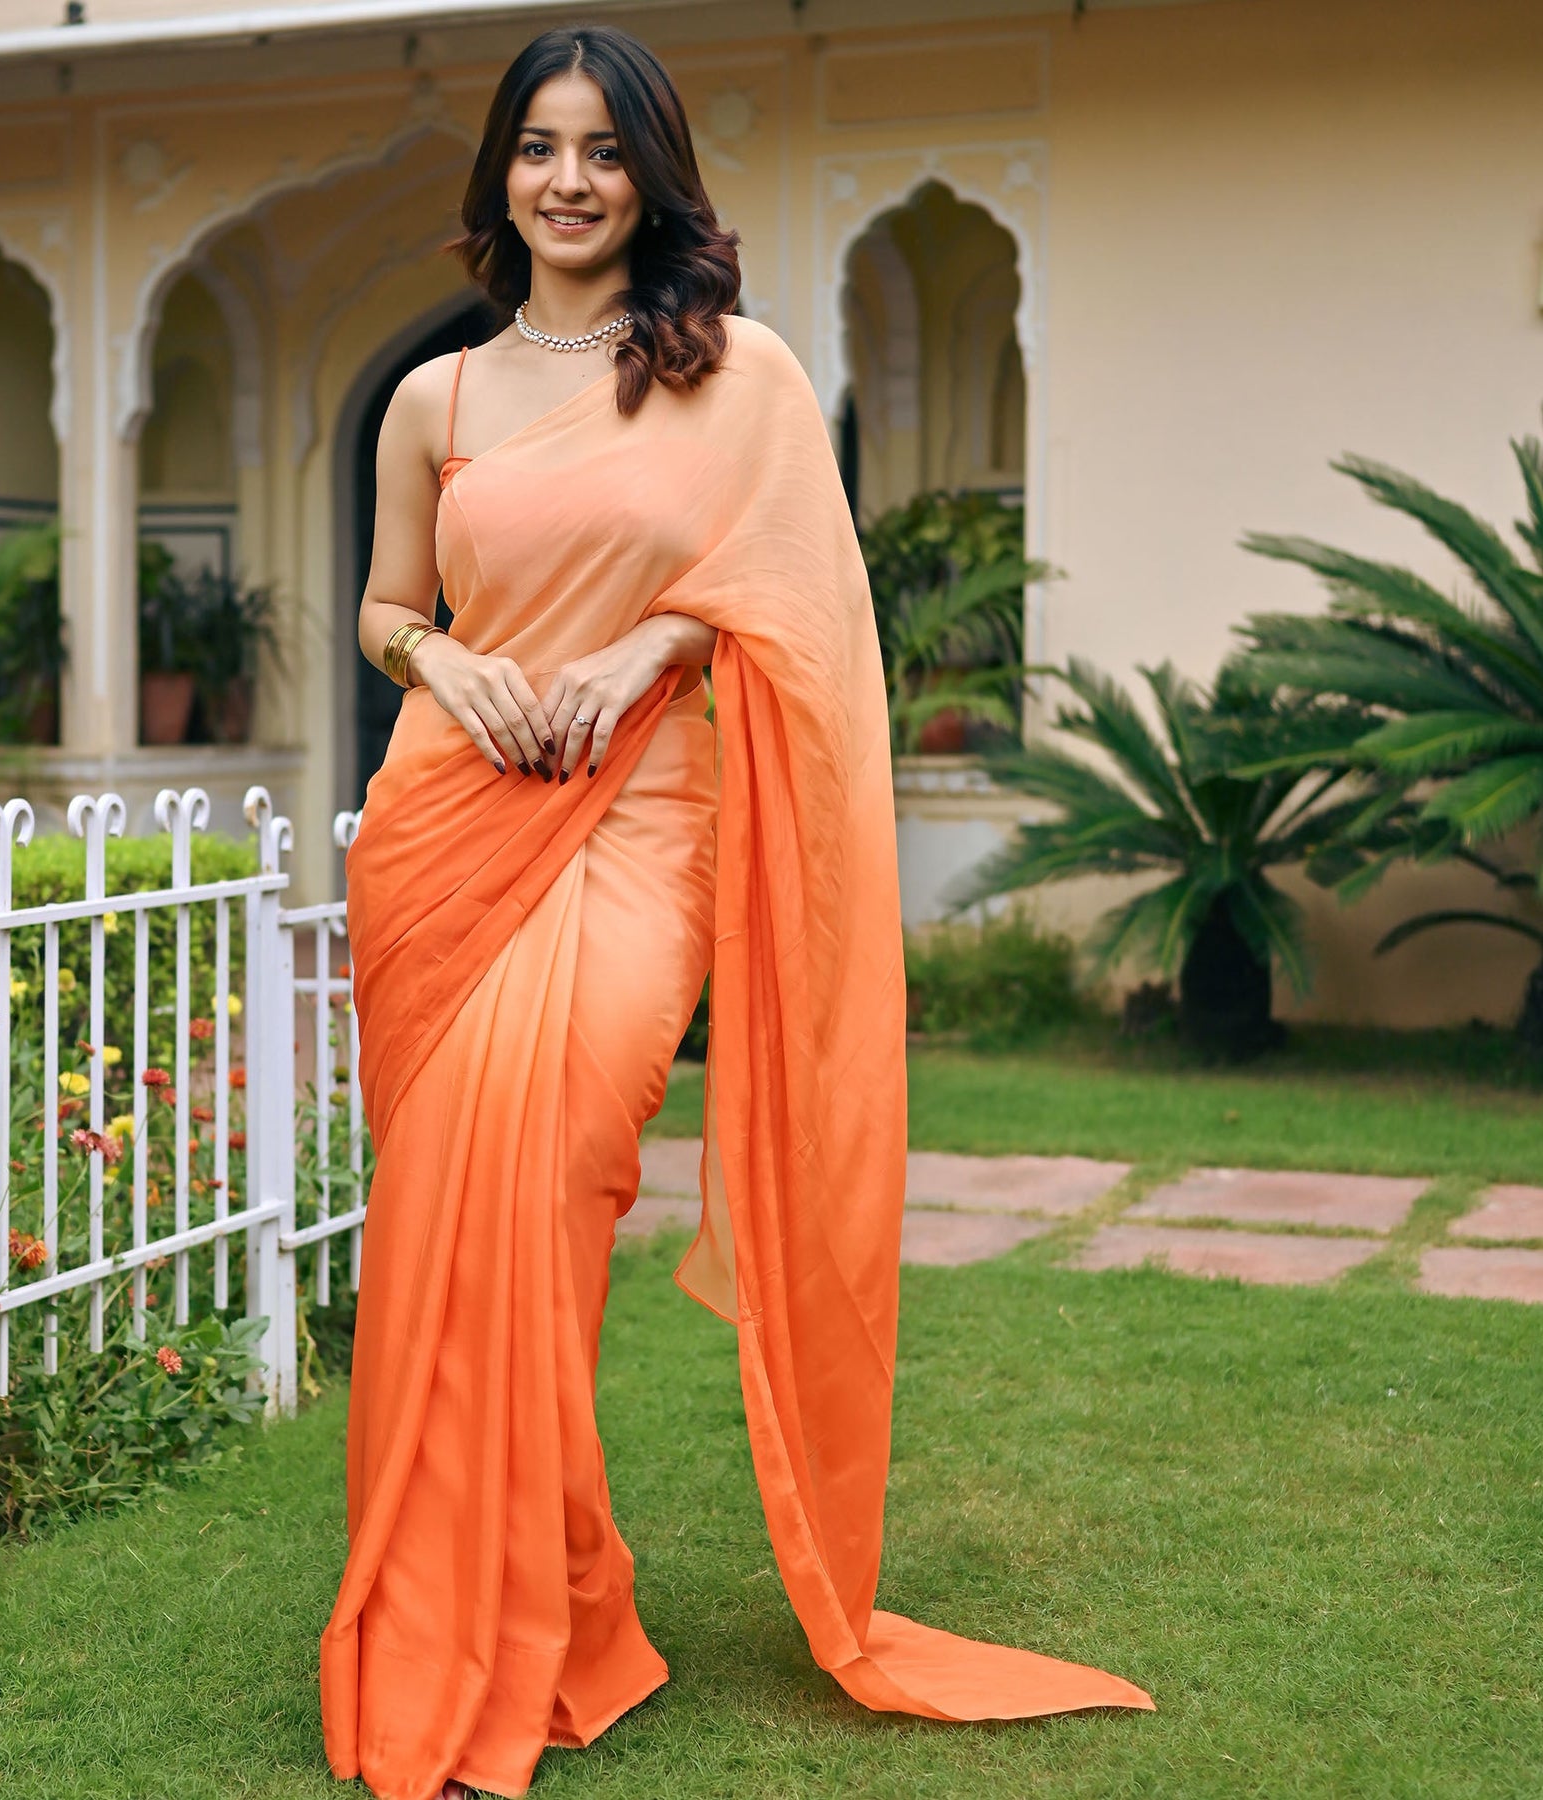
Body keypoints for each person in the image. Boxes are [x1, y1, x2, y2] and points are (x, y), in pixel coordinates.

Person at [319, 24, 1152, 1800]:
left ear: (651, 175)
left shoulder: (734, 373)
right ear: (500, 175)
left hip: (640, 820)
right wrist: (452, 667)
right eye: (538, 147)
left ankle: (508, 1633)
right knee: (450, 1224)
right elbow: (387, 609)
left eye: (602, 150)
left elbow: (783, 584)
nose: (567, 179)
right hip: (445, 827)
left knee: (544, 1176)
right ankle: (517, 1608)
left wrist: (640, 644)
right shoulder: (436, 402)